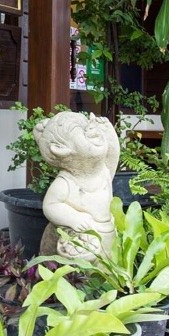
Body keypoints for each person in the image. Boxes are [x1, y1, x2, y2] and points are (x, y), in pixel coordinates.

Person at [33, 110, 119, 260]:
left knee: (108, 273)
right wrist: (74, 218)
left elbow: (112, 154)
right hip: (79, 241)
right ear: (62, 150)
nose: (90, 127)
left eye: (87, 123)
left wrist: (109, 132)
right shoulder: (65, 183)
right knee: (79, 277)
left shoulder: (102, 172)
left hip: (107, 233)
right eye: (79, 128)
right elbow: (50, 205)